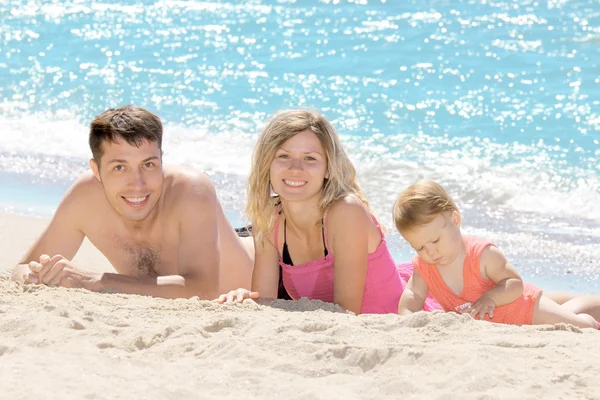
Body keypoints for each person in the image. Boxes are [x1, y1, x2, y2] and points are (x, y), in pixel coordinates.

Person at [10, 105, 252, 299]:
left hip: (270, 257)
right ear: (96, 170)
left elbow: (203, 290)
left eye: (148, 164)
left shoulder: (191, 190)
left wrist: (94, 280)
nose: (137, 184)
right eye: (119, 167)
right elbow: (22, 269)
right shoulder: (85, 198)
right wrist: (40, 275)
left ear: (161, 160)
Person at [216, 109, 440, 314]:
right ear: (268, 164)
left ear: (327, 169)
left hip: (395, 324)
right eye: (283, 156)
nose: (296, 168)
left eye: (310, 158)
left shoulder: (346, 212)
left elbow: (345, 313)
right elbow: (265, 304)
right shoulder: (269, 216)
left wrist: (265, 305)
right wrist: (247, 300)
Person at [393, 179, 600, 329]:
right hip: (503, 327)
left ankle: (591, 320)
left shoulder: (482, 254)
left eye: (435, 240)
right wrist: (407, 315)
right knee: (565, 312)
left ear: (455, 220)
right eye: (419, 247)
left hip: (526, 308)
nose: (429, 251)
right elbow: (414, 294)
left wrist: (490, 297)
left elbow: (514, 282)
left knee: (578, 324)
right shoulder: (424, 266)